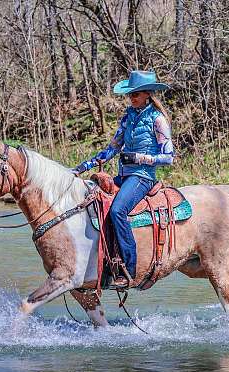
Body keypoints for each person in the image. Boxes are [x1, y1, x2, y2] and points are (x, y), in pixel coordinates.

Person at [73, 70, 174, 288]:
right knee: (92, 199)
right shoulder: (128, 117)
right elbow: (112, 148)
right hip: (124, 176)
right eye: (130, 95)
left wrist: (140, 157)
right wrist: (83, 166)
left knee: (118, 210)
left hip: (142, 177)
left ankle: (129, 267)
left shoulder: (158, 120)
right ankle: (101, 260)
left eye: (135, 94)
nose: (131, 98)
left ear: (147, 94)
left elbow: (168, 157)